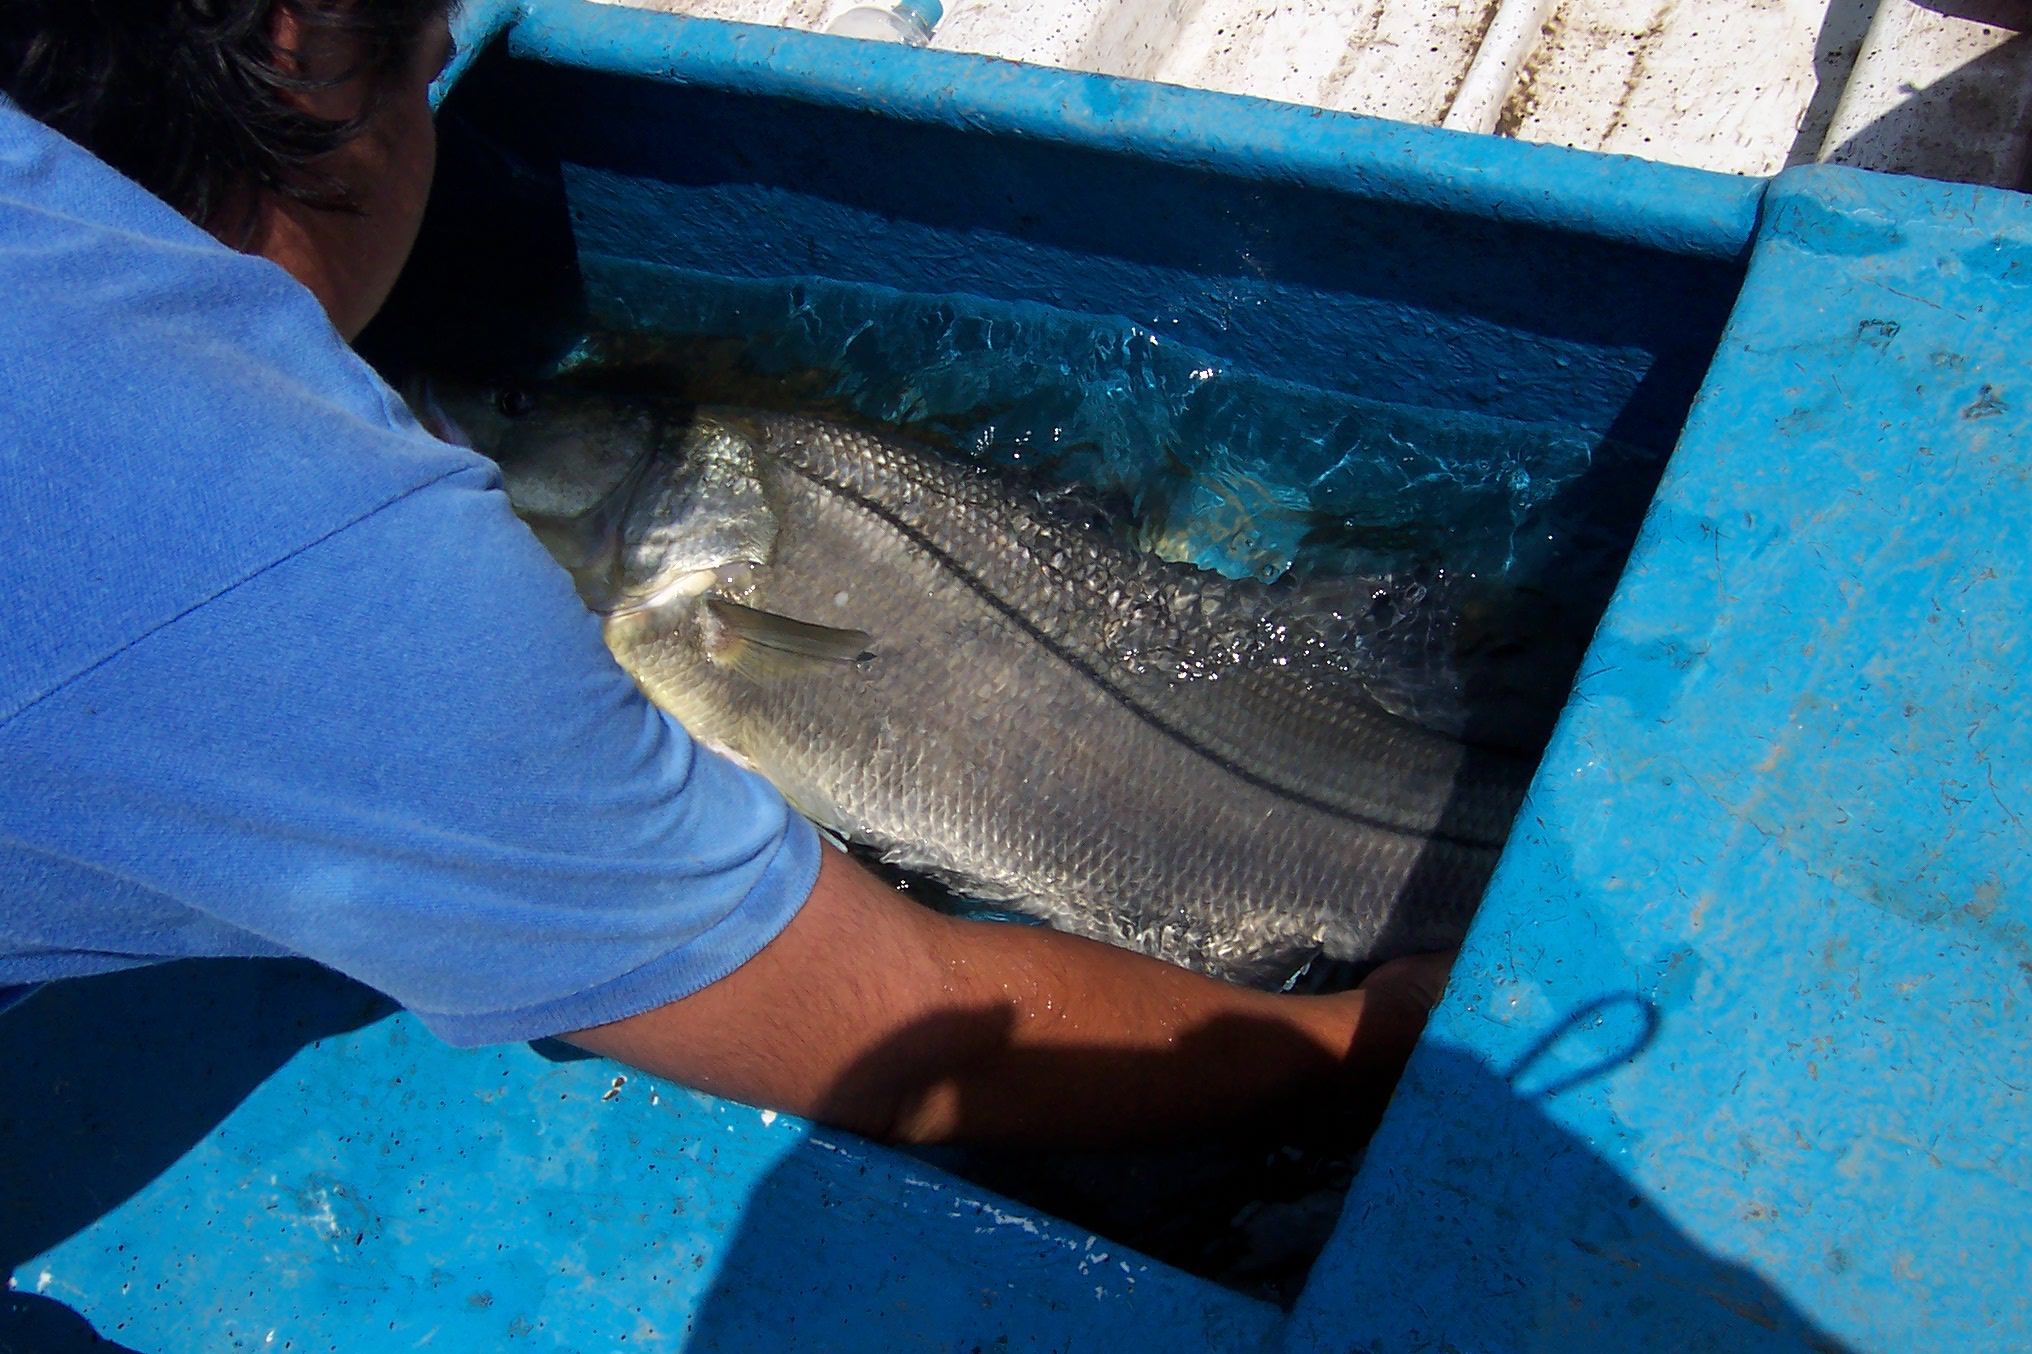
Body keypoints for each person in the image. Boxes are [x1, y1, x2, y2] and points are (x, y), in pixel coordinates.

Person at [0, 0, 1453, 1148]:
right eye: (435, 54)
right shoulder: (343, 584)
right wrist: (1371, 1040)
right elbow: (896, 1028)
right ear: (302, 41)